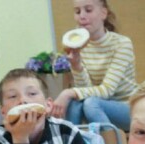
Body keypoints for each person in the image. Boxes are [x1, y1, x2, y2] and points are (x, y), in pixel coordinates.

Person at [52, 0, 138, 132]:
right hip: (96, 104)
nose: (82, 16)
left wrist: (68, 92)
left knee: (90, 103)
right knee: (75, 104)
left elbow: (107, 91)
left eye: (88, 10)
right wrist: (76, 65)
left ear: (103, 13)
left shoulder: (122, 44)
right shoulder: (80, 45)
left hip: (128, 108)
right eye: (77, 11)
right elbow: (85, 90)